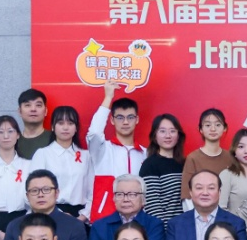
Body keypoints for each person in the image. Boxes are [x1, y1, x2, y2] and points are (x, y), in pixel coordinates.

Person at [87, 174, 167, 240]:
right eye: (120, 194)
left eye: (132, 194)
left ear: (143, 199)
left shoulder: (155, 225)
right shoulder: (100, 226)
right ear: (114, 198)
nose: (125, 199)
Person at [86, 83, 147, 221]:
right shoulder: (102, 149)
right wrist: (108, 97)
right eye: (120, 117)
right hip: (105, 220)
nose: (125, 122)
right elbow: (94, 133)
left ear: (137, 120)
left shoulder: (145, 153)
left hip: (138, 222)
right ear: (112, 120)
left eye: (130, 117)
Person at [30, 105, 92, 220]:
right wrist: (58, 215)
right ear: (53, 127)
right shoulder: (43, 154)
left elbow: (92, 191)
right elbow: (34, 188)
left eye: (70, 123)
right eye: (60, 123)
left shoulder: (86, 156)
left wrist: (82, 217)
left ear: (76, 128)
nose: (65, 128)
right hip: (49, 214)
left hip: (80, 216)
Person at [180, 107, 237, 205]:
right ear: (200, 129)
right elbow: (187, 196)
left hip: (227, 211)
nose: (213, 129)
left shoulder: (231, 158)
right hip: (199, 212)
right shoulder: (193, 158)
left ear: (224, 128)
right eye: (207, 125)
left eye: (218, 125)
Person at [139, 112, 185, 224]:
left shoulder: (186, 163)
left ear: (178, 135)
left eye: (172, 131)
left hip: (185, 227)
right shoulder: (150, 165)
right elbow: (153, 207)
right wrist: (164, 230)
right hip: (166, 228)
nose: (168, 136)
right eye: (162, 131)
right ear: (155, 136)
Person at [15, 88, 53, 160]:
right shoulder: (12, 140)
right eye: (27, 105)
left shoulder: (55, 138)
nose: (33, 109)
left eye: (38, 105)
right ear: (19, 111)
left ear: (45, 111)